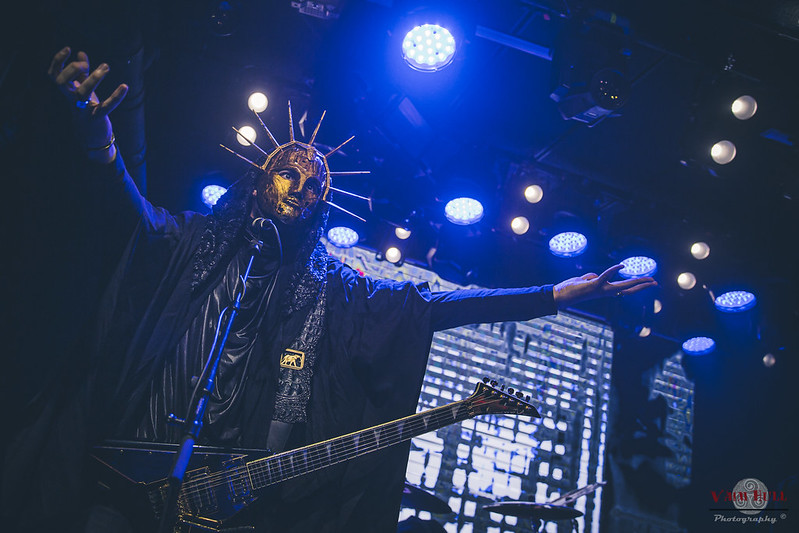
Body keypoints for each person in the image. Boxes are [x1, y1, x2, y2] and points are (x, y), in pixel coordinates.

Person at [1, 47, 656, 533]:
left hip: (218, 497)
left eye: (316, 183)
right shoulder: (193, 239)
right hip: (126, 472)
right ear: (259, 179)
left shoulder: (331, 287)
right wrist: (99, 140)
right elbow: (131, 213)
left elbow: (429, 304)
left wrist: (550, 295)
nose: (303, 185)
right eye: (288, 171)